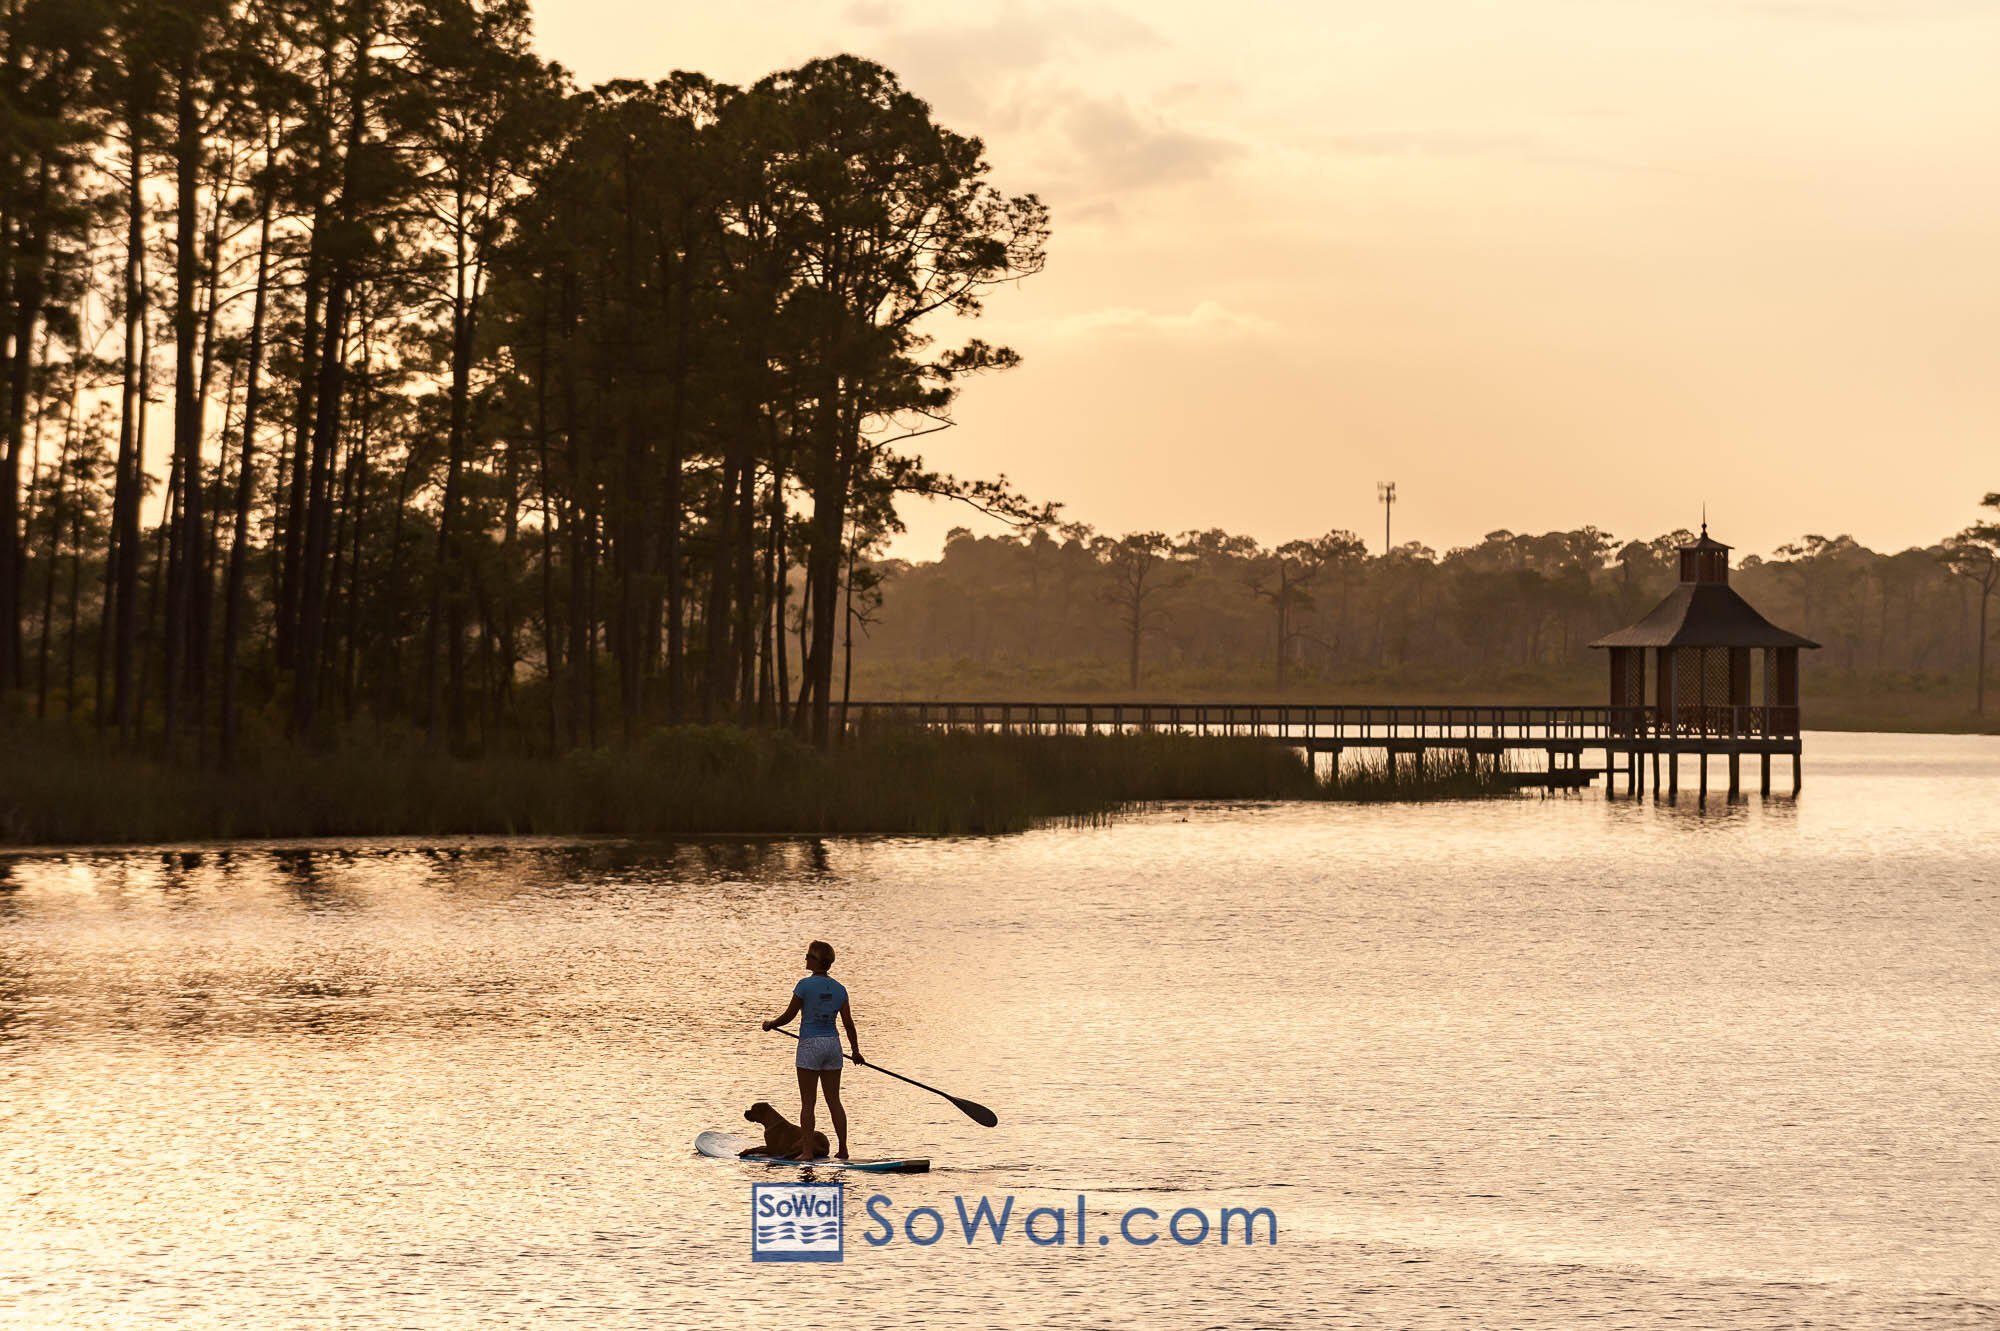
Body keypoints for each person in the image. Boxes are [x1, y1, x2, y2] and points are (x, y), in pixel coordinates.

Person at [761, 940, 864, 1160]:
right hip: (833, 1045)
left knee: (808, 1102)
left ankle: (806, 1152)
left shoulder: (804, 986)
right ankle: (843, 1149)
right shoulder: (840, 989)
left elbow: (789, 1016)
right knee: (834, 1100)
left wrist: (771, 1024)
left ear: (816, 960)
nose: (805, 958)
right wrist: (855, 1051)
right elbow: (848, 1023)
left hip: (810, 1045)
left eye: (808, 955)